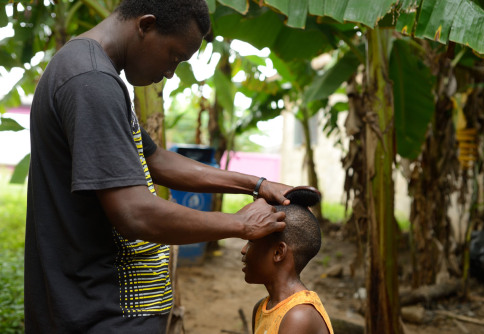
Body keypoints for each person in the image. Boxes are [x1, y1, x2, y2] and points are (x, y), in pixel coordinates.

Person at [25, 1, 292, 333]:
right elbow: (135, 213)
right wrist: (239, 224)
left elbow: (155, 159)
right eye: (174, 56)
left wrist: (256, 184)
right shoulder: (91, 81)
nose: (170, 72)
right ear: (145, 25)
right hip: (99, 316)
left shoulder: (92, 70)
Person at [241, 203, 334, 334]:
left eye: (251, 241)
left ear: (278, 253)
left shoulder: (298, 316)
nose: (243, 250)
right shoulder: (261, 308)